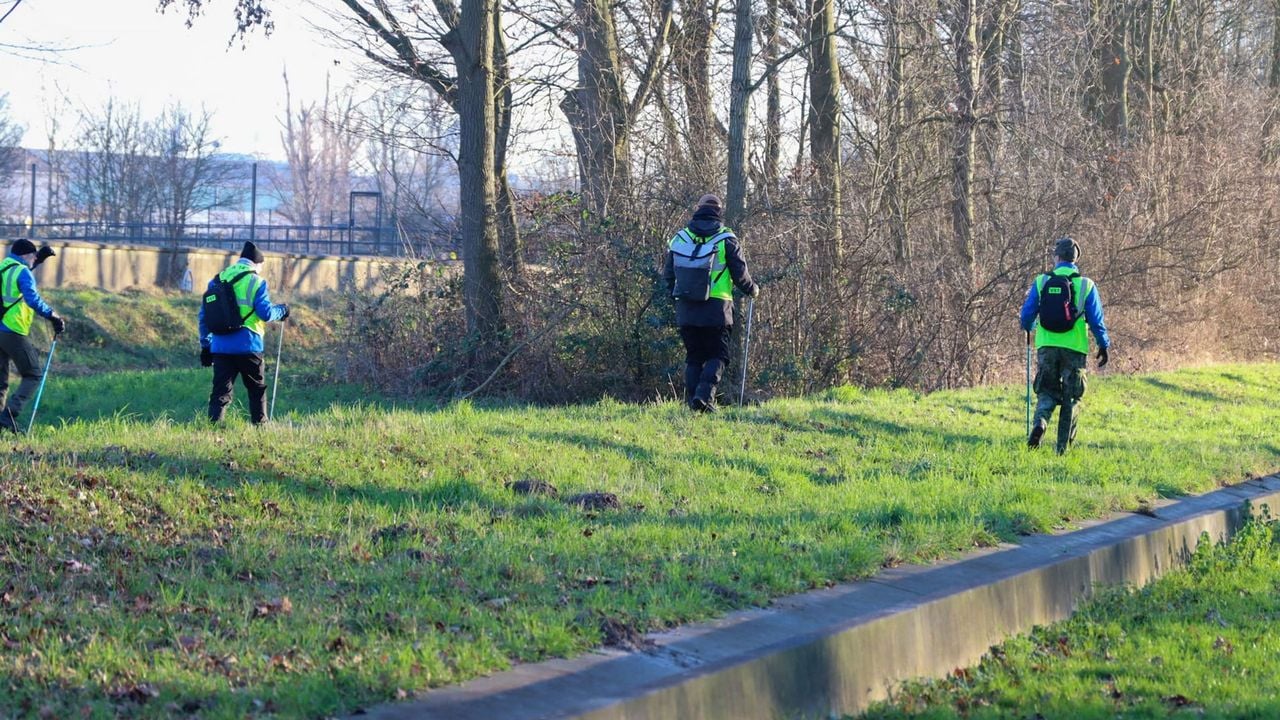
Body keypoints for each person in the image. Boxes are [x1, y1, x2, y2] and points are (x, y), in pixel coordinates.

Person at [663, 194, 759, 412]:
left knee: (694, 356)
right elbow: (740, 274)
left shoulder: (680, 238)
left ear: (697, 210)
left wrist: (677, 298)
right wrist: (752, 289)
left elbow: (668, 276)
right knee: (719, 355)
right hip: (717, 308)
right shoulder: (726, 238)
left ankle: (695, 402)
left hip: (686, 307)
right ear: (719, 212)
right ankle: (704, 398)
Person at [1019, 237, 1111, 453]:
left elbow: (1026, 316)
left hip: (1047, 345)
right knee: (1071, 397)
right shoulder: (1086, 285)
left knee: (1047, 390)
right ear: (1076, 259)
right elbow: (1097, 320)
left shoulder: (1041, 281)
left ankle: (1040, 423)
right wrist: (1103, 344)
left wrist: (1030, 327)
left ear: (1056, 257)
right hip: (1075, 347)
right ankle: (1062, 449)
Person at [198, 241, 289, 425]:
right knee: (256, 390)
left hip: (221, 347)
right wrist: (282, 311)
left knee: (220, 392)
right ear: (257, 263)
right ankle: (261, 428)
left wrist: (206, 345)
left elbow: (204, 316)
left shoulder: (217, 279)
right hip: (249, 345)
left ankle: (213, 428)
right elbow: (265, 313)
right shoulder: (257, 281)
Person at [0, 239, 64, 433]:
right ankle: (9, 416)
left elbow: (17, 278)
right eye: (33, 256)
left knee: (1, 381)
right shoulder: (23, 272)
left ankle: (1, 421)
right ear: (25, 256)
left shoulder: (4, 266)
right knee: (33, 374)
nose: (33, 260)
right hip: (13, 330)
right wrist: (53, 315)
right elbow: (32, 298)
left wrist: (39, 259)